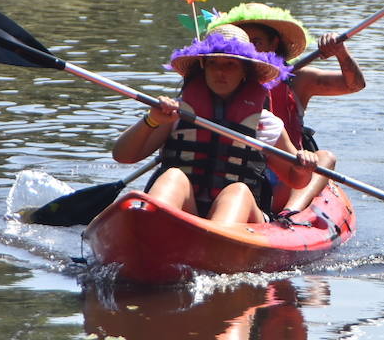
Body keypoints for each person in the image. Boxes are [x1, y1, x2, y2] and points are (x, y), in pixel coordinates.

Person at [112, 24, 318, 226]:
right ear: (203, 66)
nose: (220, 72)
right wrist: (152, 120)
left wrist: (303, 167)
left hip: (243, 221)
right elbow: (123, 156)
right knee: (173, 177)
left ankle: (215, 242)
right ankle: (153, 229)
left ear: (245, 71)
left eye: (230, 64)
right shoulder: (176, 113)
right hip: (185, 211)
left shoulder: (265, 123)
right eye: (213, 63)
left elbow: (296, 181)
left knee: (238, 191)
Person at [207, 3, 365, 214]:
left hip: (286, 174)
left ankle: (290, 213)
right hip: (235, 169)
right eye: (244, 42)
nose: (249, 49)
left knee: (326, 157)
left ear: (275, 43)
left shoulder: (298, 79)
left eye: (257, 42)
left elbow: (354, 85)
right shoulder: (221, 79)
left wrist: (341, 53)